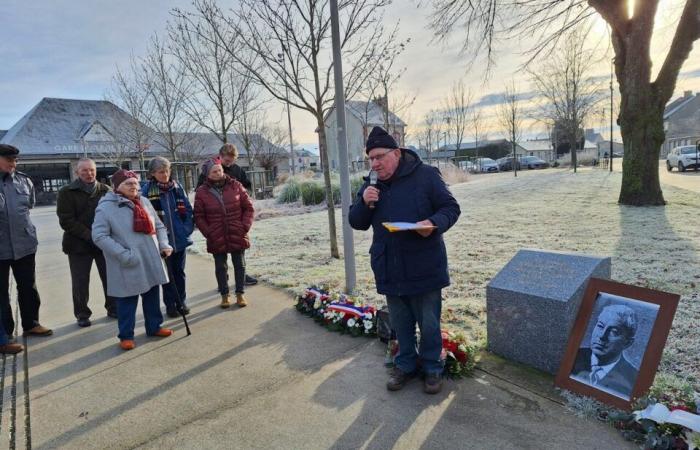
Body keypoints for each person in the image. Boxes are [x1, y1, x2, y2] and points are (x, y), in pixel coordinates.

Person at [349, 126, 461, 395]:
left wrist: (432, 223)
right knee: (401, 323)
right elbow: (356, 222)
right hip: (390, 265)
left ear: (396, 153)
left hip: (424, 264)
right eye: (371, 158)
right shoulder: (372, 183)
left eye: (380, 157)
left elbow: (451, 208)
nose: (375, 163)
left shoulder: (425, 176)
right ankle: (406, 365)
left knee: (429, 323)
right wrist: (364, 202)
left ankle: (432, 368)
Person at [92, 169, 174, 350]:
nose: (133, 186)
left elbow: (159, 226)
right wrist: (123, 255)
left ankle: (154, 326)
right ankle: (126, 336)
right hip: (127, 261)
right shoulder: (106, 207)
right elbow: (99, 236)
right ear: (116, 187)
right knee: (127, 300)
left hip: (150, 257)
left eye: (135, 183)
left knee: (152, 294)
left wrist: (164, 244)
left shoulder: (144, 202)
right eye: (128, 183)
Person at [0, 144, 53, 338]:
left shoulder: (24, 181)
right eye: (9, 160)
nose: (13, 164)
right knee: (1, 294)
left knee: (28, 287)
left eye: (15, 160)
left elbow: (28, 207)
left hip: (24, 244)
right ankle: (4, 334)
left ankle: (31, 324)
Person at [56, 158, 116, 327]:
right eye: (84, 171)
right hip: (77, 245)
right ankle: (82, 314)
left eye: (92, 170)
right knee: (80, 282)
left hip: (104, 244)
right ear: (77, 172)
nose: (89, 174)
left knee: (109, 277)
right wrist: (91, 236)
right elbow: (66, 221)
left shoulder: (106, 190)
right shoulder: (66, 192)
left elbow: (113, 216)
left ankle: (113, 307)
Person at [194, 158, 254, 309]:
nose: (218, 173)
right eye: (214, 171)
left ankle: (240, 294)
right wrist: (208, 232)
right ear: (207, 173)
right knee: (221, 267)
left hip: (237, 231)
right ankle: (224, 295)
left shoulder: (236, 185)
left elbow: (248, 208)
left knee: (239, 264)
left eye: (219, 170)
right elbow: (199, 216)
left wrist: (244, 226)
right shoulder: (202, 192)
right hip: (216, 234)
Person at [142, 156, 194, 318]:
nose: (165, 175)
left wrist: (186, 230)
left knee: (179, 272)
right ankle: (170, 304)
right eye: (160, 172)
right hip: (161, 241)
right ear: (152, 174)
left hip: (179, 238)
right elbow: (146, 217)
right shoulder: (146, 192)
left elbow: (187, 209)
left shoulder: (177, 188)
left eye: (167, 171)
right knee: (166, 275)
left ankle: (181, 302)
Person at [571, 304, 639, 397]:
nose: (602, 336)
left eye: (614, 332)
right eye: (600, 326)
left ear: (627, 343)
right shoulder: (572, 356)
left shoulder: (634, 379)